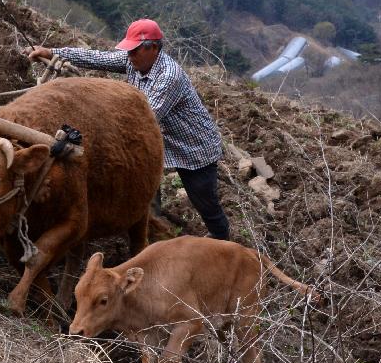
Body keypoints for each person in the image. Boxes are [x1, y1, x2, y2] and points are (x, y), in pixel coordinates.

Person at [26, 18, 230, 240]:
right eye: (129, 51)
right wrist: (52, 52)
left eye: (134, 51)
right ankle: (152, 235)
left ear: (153, 48)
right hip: (159, 142)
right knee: (146, 186)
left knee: (204, 202)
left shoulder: (169, 77)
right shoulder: (133, 60)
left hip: (193, 148)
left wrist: (96, 120)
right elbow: (96, 57)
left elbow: (145, 117)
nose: (129, 56)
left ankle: (221, 240)